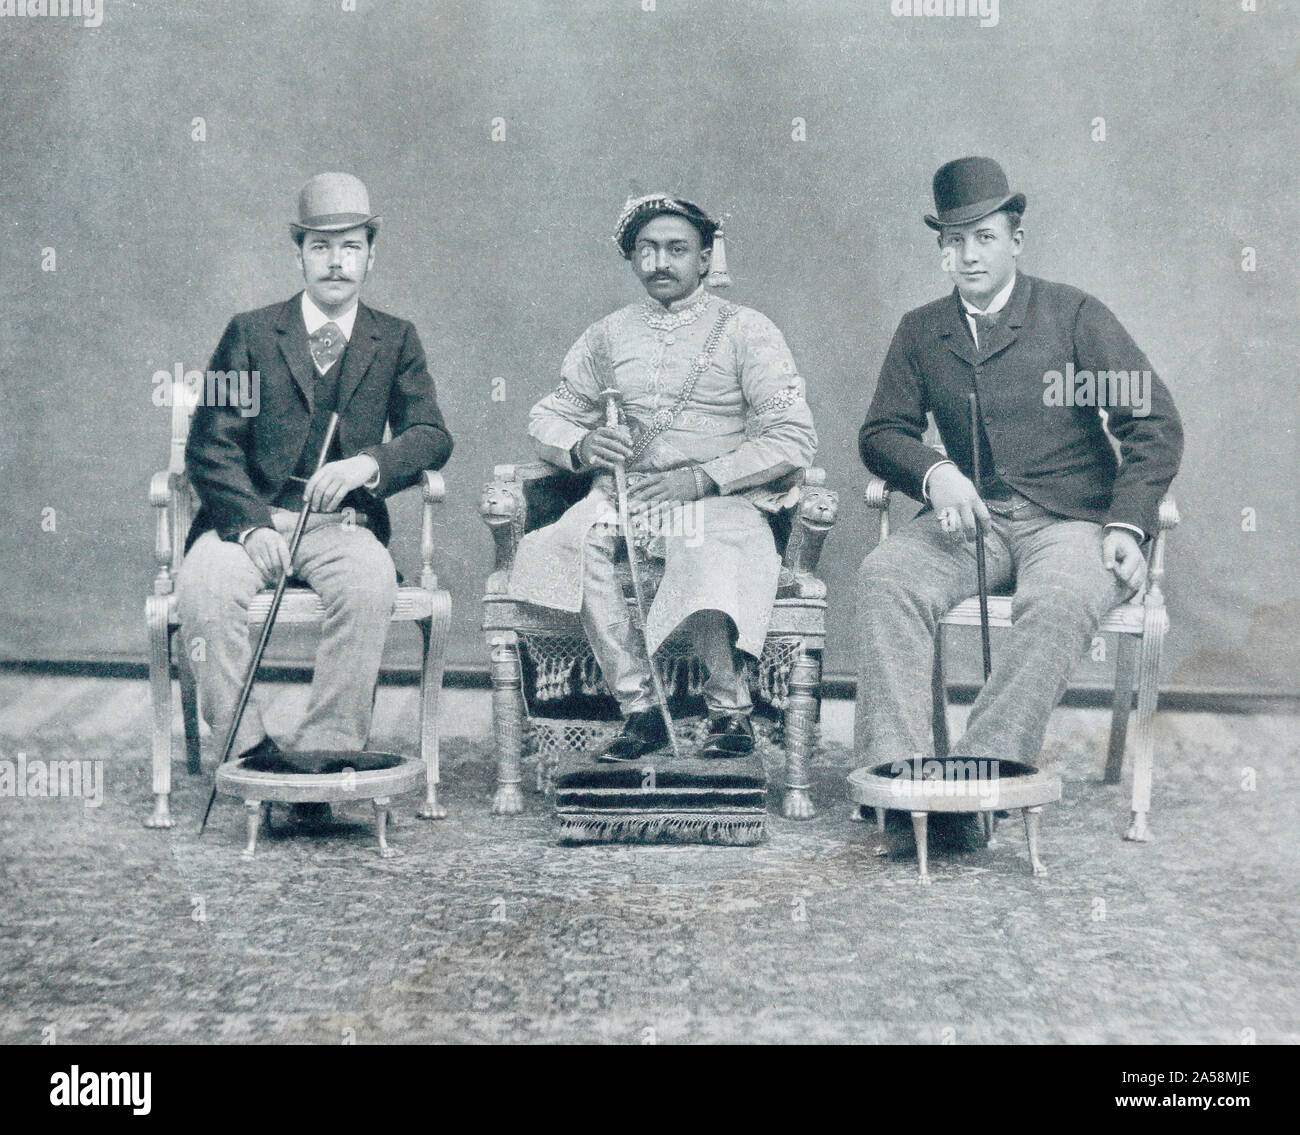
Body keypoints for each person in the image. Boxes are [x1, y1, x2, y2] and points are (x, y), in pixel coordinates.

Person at [856, 157, 1183, 837]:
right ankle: (902, 782)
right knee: (885, 575)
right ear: (941, 250)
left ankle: (982, 780)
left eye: (984, 237)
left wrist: (1128, 522)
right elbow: (881, 431)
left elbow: (1152, 423)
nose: (968, 254)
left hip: (1071, 520)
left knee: (1058, 601)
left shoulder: (1073, 315)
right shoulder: (922, 330)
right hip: (969, 518)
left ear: (1016, 240)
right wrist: (935, 472)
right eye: (954, 241)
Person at [177, 172, 452, 820]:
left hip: (341, 525)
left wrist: (367, 463)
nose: (336, 260)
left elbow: (431, 434)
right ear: (298, 252)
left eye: (350, 246)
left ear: (370, 255)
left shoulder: (395, 337)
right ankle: (247, 758)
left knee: (368, 584)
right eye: (322, 246)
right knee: (206, 589)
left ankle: (327, 759)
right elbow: (209, 444)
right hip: (246, 520)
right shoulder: (249, 333)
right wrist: (250, 524)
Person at [509, 194, 817, 761]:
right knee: (572, 544)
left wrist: (702, 479)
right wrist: (580, 444)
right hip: (627, 494)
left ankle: (730, 712)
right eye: (647, 250)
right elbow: (548, 416)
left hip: (718, 496)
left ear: (705, 259)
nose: (661, 263)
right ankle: (640, 709)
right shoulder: (605, 335)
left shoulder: (747, 330)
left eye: (677, 249)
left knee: (698, 546)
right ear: (632, 259)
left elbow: (792, 438)